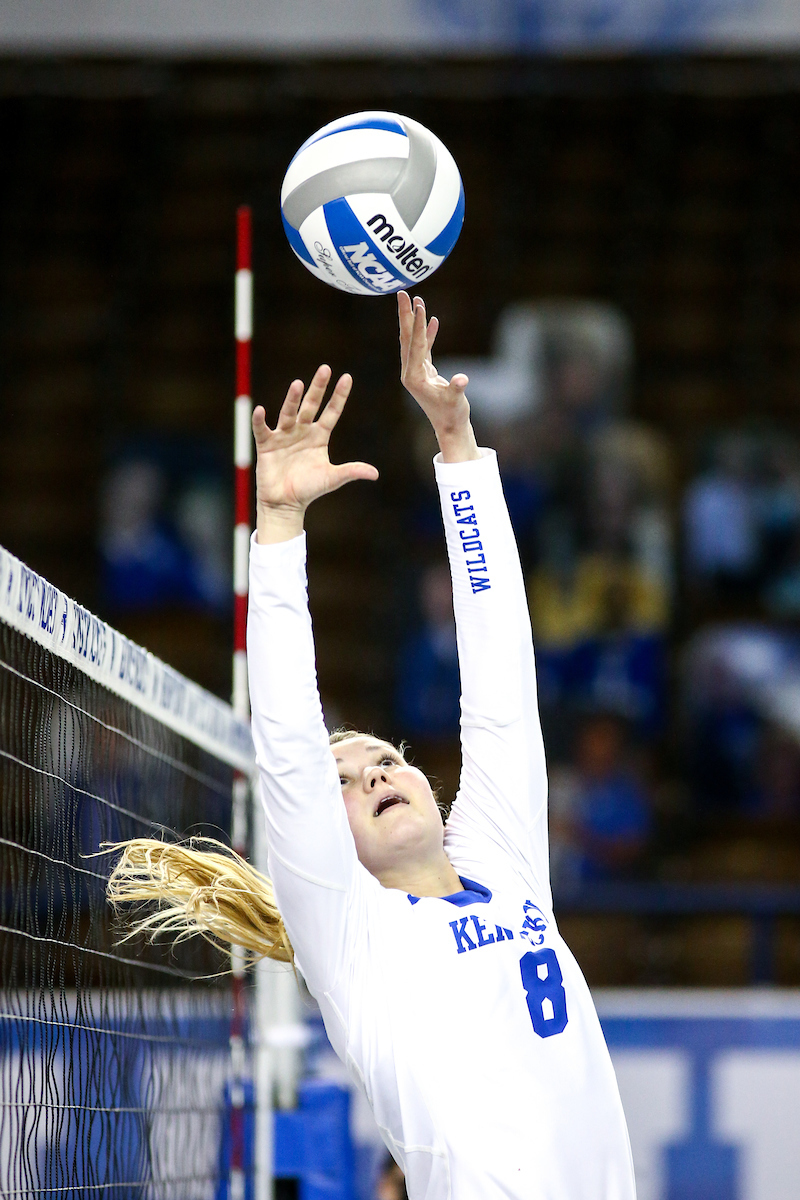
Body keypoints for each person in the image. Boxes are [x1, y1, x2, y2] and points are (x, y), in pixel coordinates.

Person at [108, 294, 635, 1200]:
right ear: (327, 838)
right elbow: (286, 742)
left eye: (384, 759)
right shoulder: (352, 933)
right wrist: (279, 528)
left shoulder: (503, 861)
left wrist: (458, 447)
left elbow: (501, 668)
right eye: (346, 780)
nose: (377, 773)